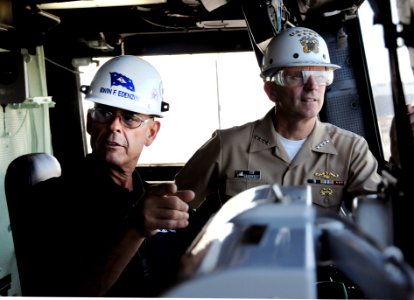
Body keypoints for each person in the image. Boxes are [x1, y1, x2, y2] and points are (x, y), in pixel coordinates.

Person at [17, 55, 199, 296]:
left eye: (130, 118)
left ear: (151, 133)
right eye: (104, 113)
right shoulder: (50, 200)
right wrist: (134, 230)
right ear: (90, 123)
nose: (114, 125)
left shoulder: (157, 202)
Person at [175, 27, 382, 221]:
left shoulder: (351, 149)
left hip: (319, 260)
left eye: (321, 75)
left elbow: (382, 217)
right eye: (296, 76)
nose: (312, 86)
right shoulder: (228, 145)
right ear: (271, 91)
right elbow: (174, 208)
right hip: (249, 259)